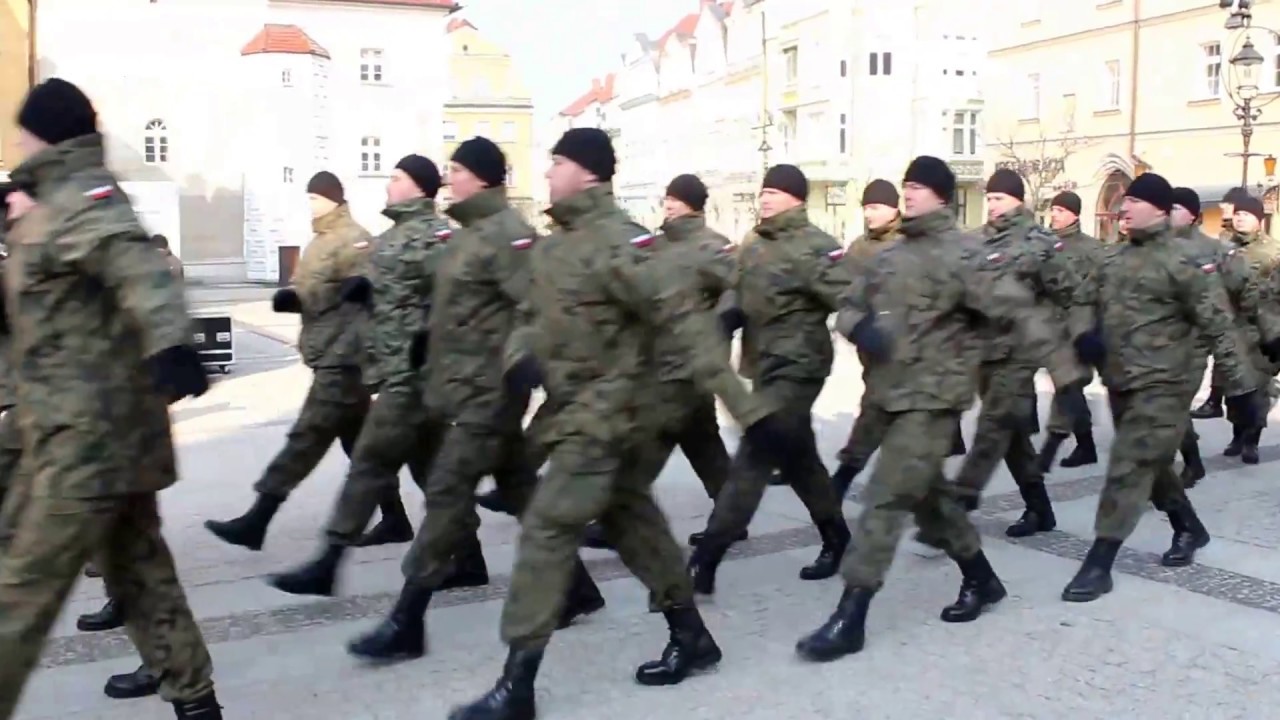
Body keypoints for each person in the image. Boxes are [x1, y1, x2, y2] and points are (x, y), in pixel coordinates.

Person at [795, 155, 1089, 663]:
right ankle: (982, 578)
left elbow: (1021, 311)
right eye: (904, 186)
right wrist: (857, 326)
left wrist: (1067, 374)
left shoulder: (966, 254)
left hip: (935, 399)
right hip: (888, 392)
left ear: (941, 195)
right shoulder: (890, 254)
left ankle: (851, 616)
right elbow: (848, 303)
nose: (908, 195)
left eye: (917, 187)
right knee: (931, 497)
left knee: (886, 497)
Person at [0, 77, 219, 719]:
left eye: (20, 130)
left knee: (21, 593)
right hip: (76, 428)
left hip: (87, 439)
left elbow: (137, 267)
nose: (14, 141)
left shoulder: (83, 196)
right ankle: (198, 706)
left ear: (42, 133)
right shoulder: (43, 203)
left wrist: (173, 343)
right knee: (142, 576)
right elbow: (44, 299)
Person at [1061, 173, 1264, 602]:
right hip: (1119, 379)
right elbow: (1081, 299)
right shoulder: (1111, 259)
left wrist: (1244, 391)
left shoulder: (1183, 261)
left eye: (1134, 201)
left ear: (1159, 208)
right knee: (1150, 464)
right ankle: (1188, 527)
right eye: (1124, 201)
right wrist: (1083, 335)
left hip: (1167, 382)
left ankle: (1100, 561)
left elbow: (1219, 326)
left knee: (1129, 463)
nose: (1125, 207)